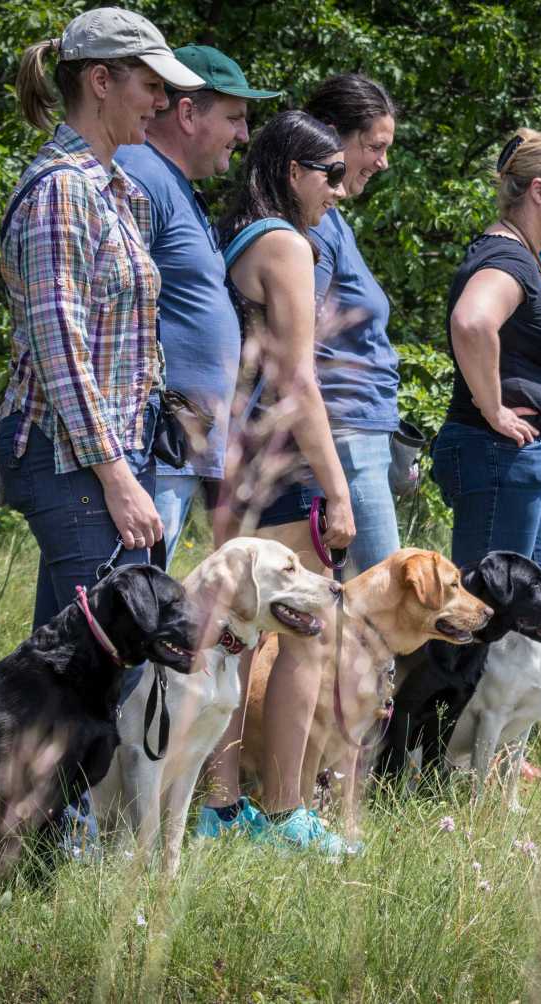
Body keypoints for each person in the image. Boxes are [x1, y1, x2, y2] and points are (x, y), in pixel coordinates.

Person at [0, 8, 203, 629]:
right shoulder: (62, 191)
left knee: (60, 672)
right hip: (72, 457)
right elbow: (60, 347)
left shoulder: (121, 193)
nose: (162, 104)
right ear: (100, 82)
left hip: (103, 449)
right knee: (116, 651)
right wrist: (116, 476)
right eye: (152, 86)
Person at [203, 110, 355, 854]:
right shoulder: (288, 244)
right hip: (283, 460)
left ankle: (220, 806)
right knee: (308, 631)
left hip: (232, 458)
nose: (341, 191)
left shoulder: (236, 236)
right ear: (294, 173)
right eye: (332, 175)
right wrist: (339, 488)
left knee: (233, 633)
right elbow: (298, 378)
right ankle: (285, 813)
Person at [114, 44, 280, 567]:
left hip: (175, 452)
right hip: (150, 448)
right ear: (187, 113)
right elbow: (113, 306)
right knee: (127, 614)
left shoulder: (174, 184)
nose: (244, 135)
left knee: (141, 605)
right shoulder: (138, 172)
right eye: (234, 117)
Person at [432, 129, 541, 575]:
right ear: (538, 191)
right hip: (498, 454)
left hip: (516, 460)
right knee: (488, 611)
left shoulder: (525, 254)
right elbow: (472, 322)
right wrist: (494, 409)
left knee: (530, 609)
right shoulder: (509, 258)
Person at [302, 73, 402, 576]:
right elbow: (297, 339)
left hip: (361, 429)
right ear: (329, 133)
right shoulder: (316, 226)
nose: (383, 161)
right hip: (344, 432)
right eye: (374, 146)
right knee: (381, 606)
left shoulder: (334, 220)